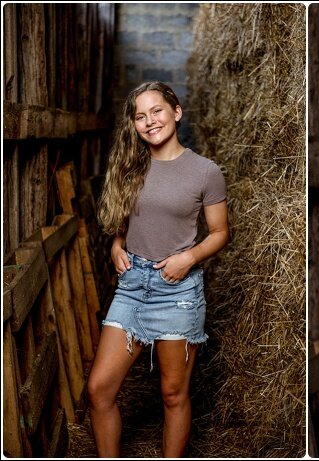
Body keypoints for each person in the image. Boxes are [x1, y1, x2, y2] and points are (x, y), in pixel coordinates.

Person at [87, 81, 229, 457]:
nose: (150, 121)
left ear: (176, 112)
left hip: (178, 291)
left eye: (157, 111)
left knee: (172, 393)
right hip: (133, 287)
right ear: (133, 124)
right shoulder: (130, 165)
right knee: (99, 389)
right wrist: (117, 245)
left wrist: (189, 258)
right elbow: (124, 221)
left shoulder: (205, 171)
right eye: (140, 116)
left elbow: (219, 233)